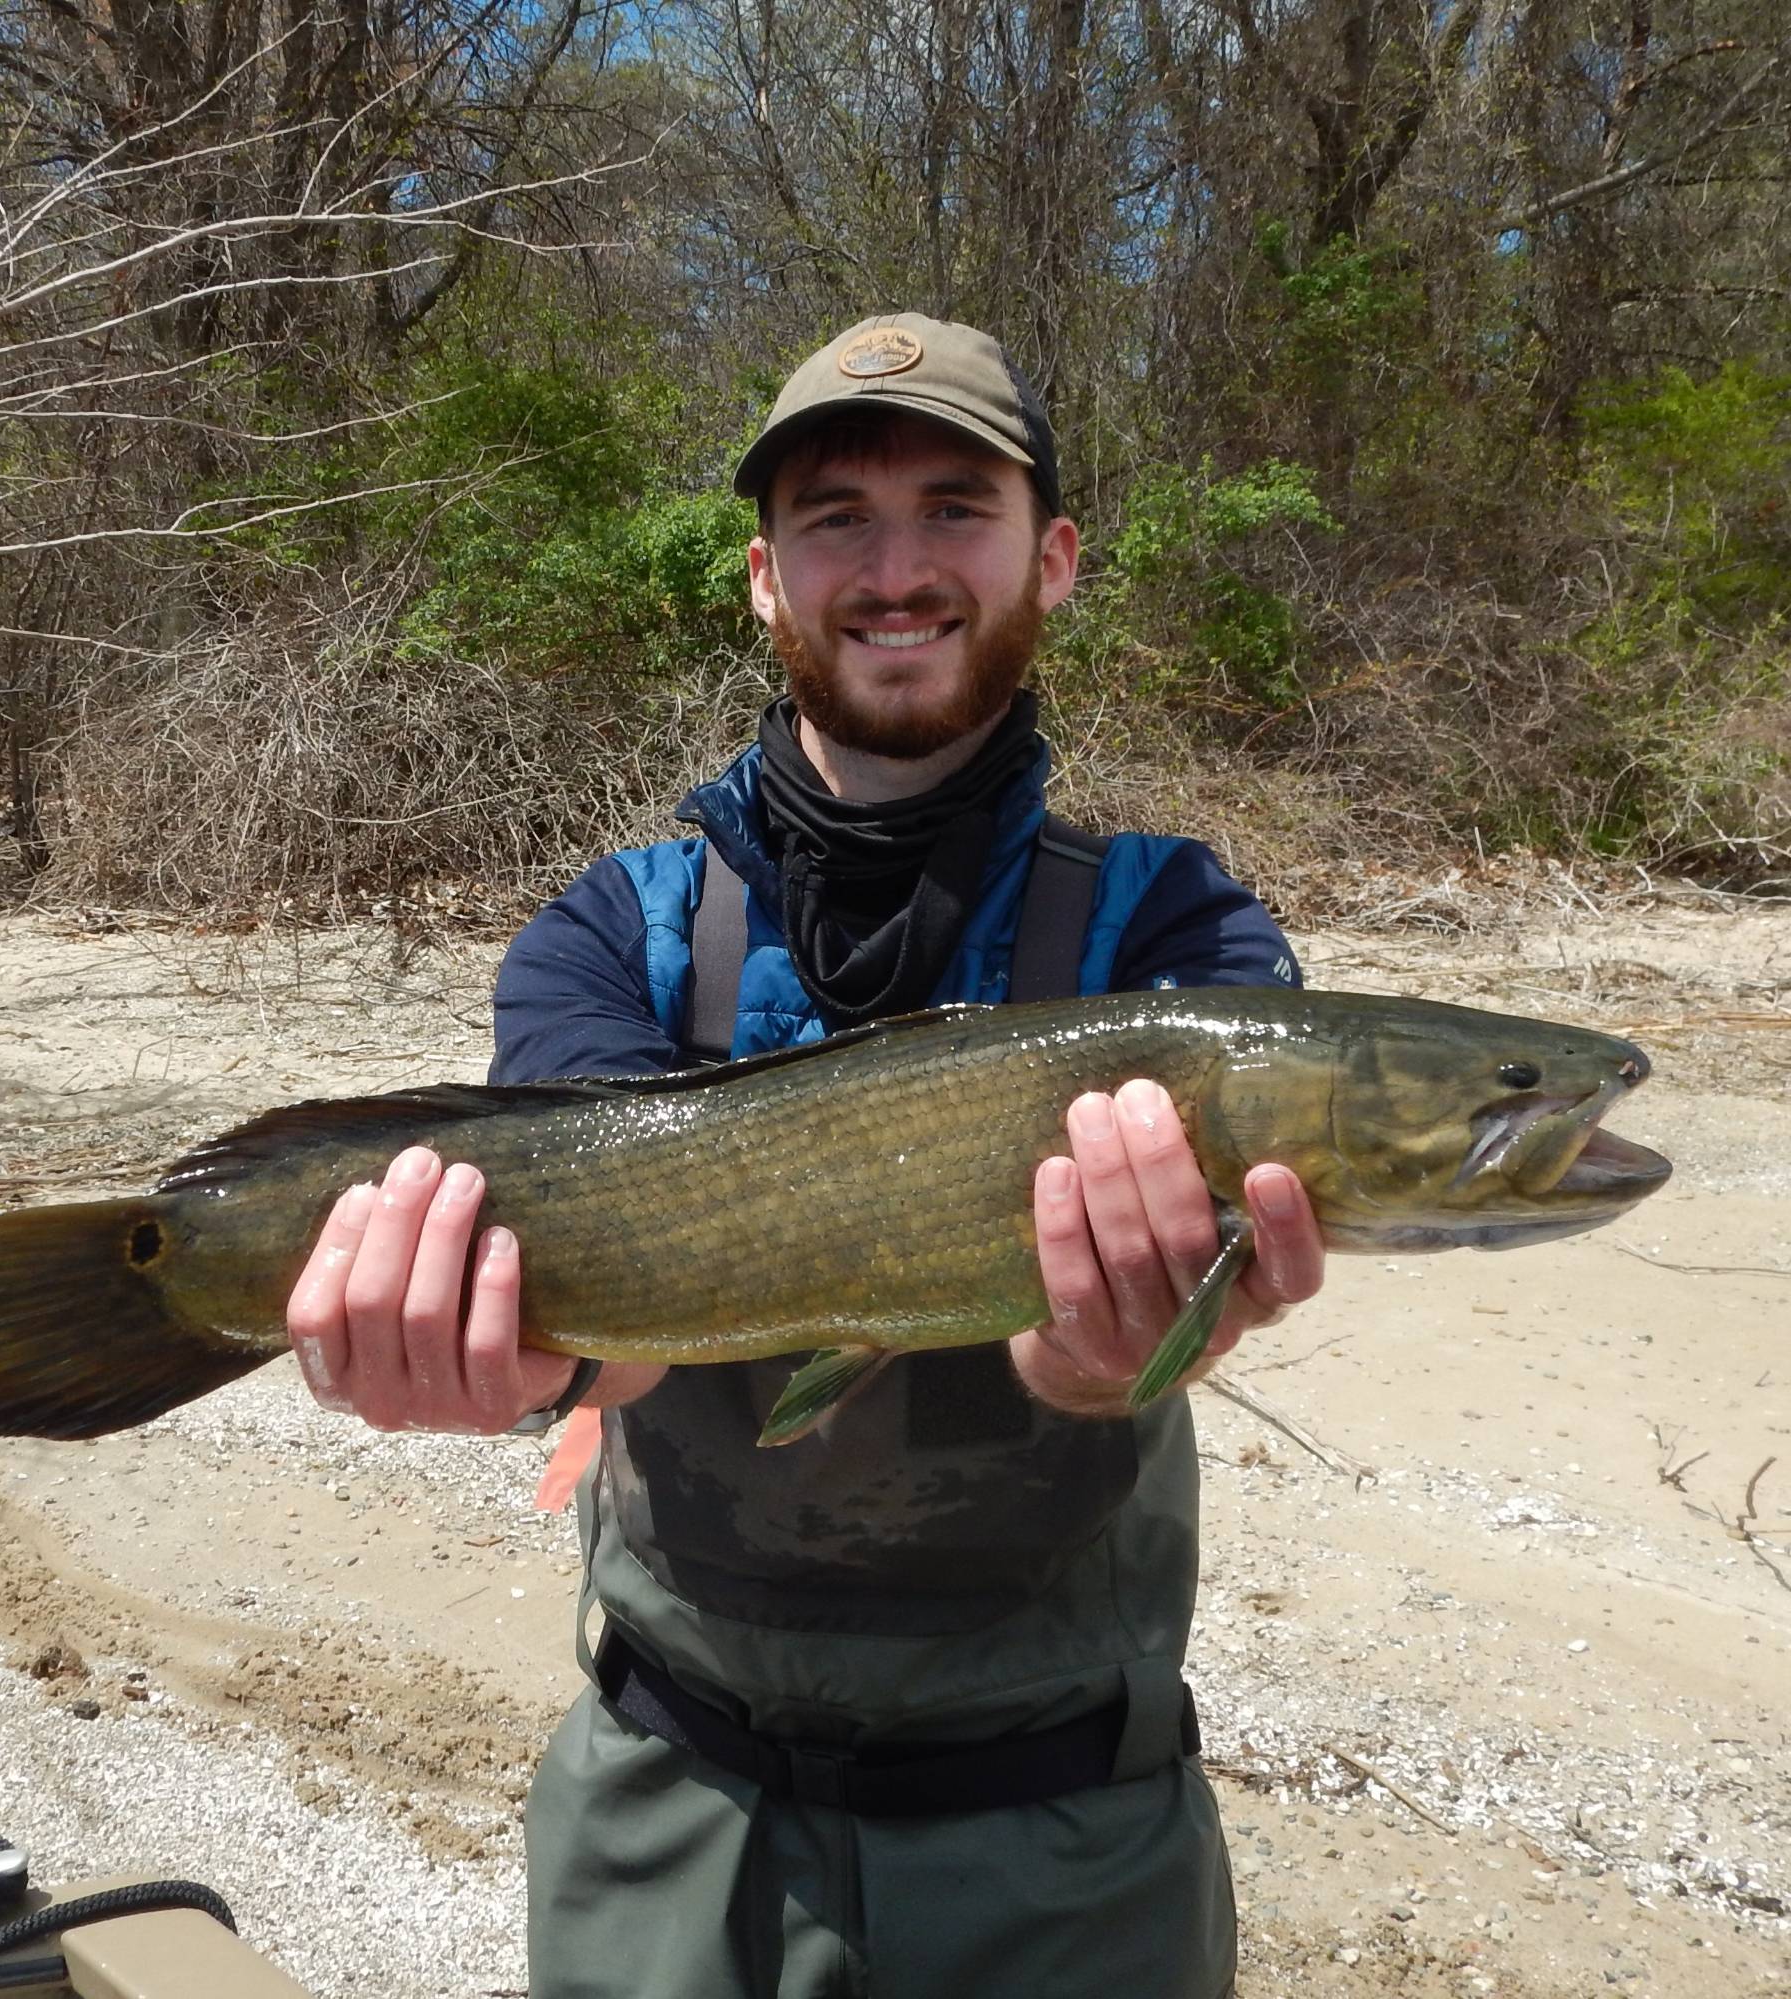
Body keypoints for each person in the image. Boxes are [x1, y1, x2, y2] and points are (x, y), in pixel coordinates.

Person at [284, 313, 1326, 1997]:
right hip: (671, 1815)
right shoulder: (607, 930)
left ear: (1051, 561)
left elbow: (1145, 1325)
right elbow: (609, 1339)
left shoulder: (1178, 929)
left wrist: (1109, 1353)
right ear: (766, 577)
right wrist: (500, 1356)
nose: (896, 566)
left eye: (955, 508)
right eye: (836, 514)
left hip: (1068, 1841)